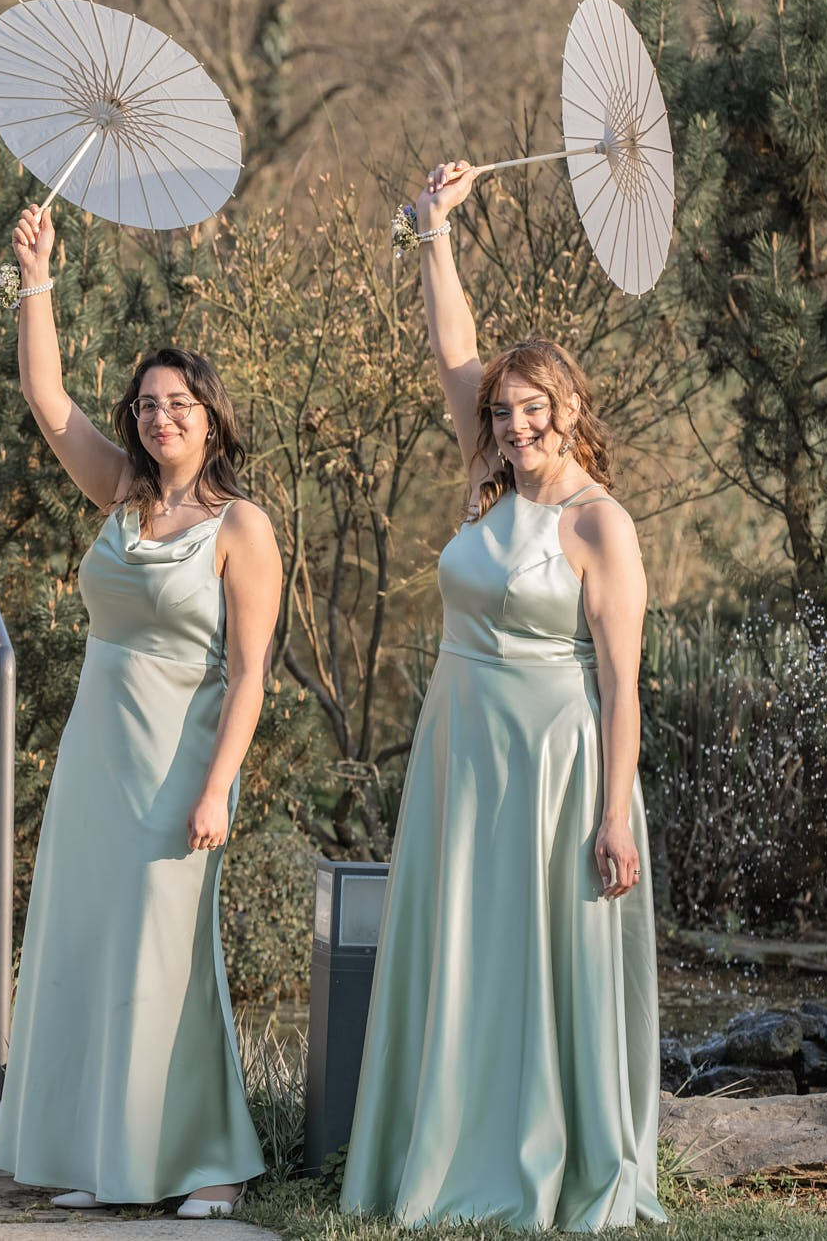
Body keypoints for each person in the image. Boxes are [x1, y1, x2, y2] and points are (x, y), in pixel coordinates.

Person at [338, 162, 661, 1231]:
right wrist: (434, 233)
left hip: (557, 761)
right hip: (458, 748)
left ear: (569, 408)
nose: (516, 424)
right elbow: (450, 351)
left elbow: (621, 687)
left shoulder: (597, 525)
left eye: (534, 409)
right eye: (505, 411)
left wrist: (612, 814)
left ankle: (543, 1157)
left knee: (538, 959)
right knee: (459, 949)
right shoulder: (486, 475)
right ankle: (444, 1143)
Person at [0, 204, 277, 1217]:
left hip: (179, 765)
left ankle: (208, 1166)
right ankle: (102, 1157)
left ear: (210, 418)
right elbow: (42, 393)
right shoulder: (116, 494)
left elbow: (248, 673)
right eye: (148, 404)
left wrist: (216, 790)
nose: (160, 418)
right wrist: (36, 273)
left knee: (166, 958)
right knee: (85, 943)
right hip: (93, 760)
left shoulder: (241, 527)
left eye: (177, 404)